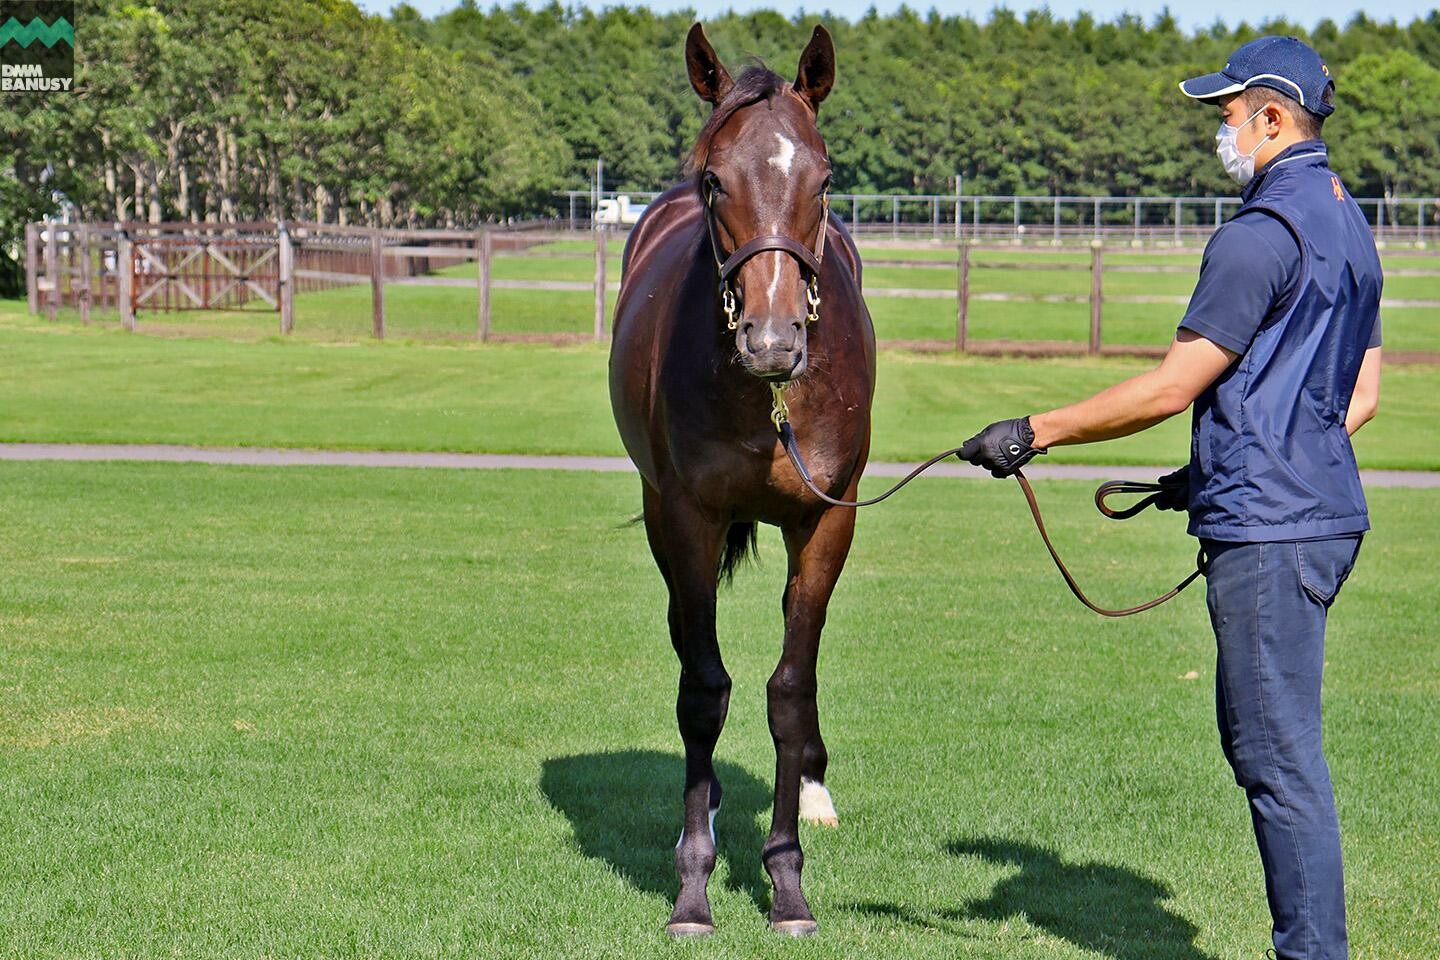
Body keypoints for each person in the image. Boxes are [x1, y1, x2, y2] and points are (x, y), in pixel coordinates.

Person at [957, 36, 1382, 960]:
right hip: (1317, 515)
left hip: (1274, 532)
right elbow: (1359, 397)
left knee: (1277, 760)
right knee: (1270, 748)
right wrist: (1230, 467)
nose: (1219, 127)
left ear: (1274, 116)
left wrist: (1033, 431)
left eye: (1227, 111)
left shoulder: (1259, 234)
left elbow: (1168, 388)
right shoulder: (1349, 221)